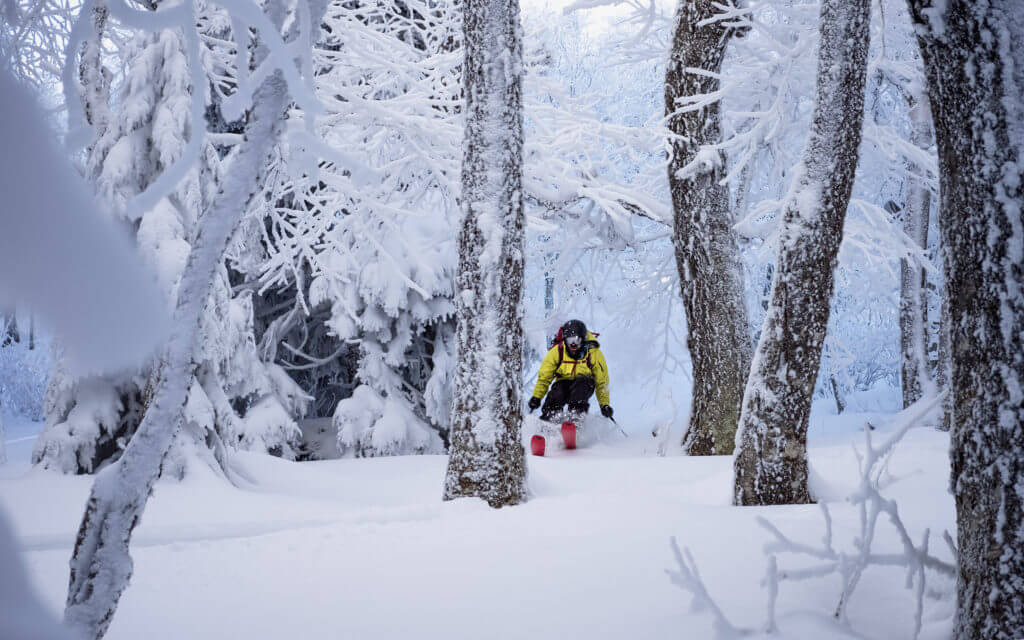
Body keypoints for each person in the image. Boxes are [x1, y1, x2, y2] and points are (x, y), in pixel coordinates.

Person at [528, 319, 613, 423]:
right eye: (570, 340)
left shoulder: (593, 353)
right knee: (557, 393)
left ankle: (575, 418)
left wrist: (604, 404)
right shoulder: (558, 351)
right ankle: (550, 419)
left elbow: (602, 381)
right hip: (563, 383)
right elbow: (544, 377)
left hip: (584, 384)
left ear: (582, 339)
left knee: (581, 386)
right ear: (565, 340)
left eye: (576, 340)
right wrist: (537, 397)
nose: (573, 344)